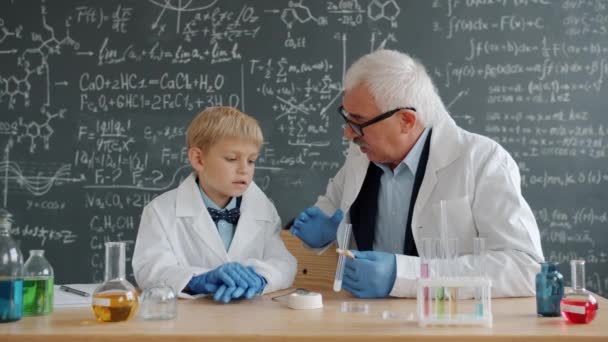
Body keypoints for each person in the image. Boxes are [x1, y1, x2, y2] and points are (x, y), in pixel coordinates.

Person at [291, 49, 544, 298]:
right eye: (346, 117)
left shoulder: (483, 160)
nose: (348, 133)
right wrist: (321, 235)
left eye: (358, 121)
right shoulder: (361, 155)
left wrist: (403, 276)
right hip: (365, 322)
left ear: (406, 121)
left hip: (447, 325)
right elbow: (331, 210)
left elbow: (524, 268)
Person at [133, 106, 297, 303]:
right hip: (187, 323)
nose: (244, 169)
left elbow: (284, 264)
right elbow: (150, 269)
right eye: (231, 159)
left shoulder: (263, 209)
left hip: (251, 322)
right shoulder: (161, 211)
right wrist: (199, 280)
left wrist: (260, 279)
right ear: (198, 159)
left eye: (252, 160)